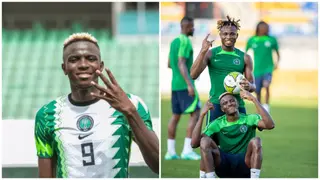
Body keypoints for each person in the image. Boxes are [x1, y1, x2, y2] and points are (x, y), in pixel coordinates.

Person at [34, 32, 159, 178]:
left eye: (91, 59)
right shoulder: (47, 114)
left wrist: (130, 112)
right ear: (64, 68)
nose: (83, 65)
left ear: (100, 65)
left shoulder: (132, 104)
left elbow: (157, 165)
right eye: (74, 59)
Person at [190, 15, 256, 177]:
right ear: (220, 35)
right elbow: (193, 74)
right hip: (216, 106)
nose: (228, 37)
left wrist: (249, 86)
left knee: (243, 145)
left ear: (237, 35)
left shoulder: (244, 57)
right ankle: (203, 176)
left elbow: (253, 86)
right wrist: (203, 50)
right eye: (225, 33)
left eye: (232, 34)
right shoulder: (212, 54)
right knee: (206, 142)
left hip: (238, 106)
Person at [191, 90, 275, 178]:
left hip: (245, 164)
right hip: (224, 165)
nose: (229, 104)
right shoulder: (217, 124)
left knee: (256, 141)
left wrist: (254, 99)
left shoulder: (250, 118)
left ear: (237, 103)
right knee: (204, 141)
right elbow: (194, 144)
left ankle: (254, 177)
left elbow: (270, 125)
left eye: (232, 101)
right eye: (225, 103)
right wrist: (201, 115)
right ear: (222, 109)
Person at [165, 16, 201, 161]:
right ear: (185, 27)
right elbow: (181, 63)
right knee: (196, 113)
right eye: (191, 26)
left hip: (174, 85)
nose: (193, 29)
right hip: (184, 85)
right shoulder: (185, 41)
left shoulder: (174, 41)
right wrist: (189, 84)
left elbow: (169, 63)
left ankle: (170, 152)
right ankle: (187, 150)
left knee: (175, 116)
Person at [246, 21, 280, 112]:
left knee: (267, 85)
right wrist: (246, 66)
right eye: (263, 27)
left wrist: (277, 63)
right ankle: (260, 107)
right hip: (256, 70)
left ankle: (267, 106)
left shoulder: (271, 39)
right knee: (257, 91)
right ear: (258, 28)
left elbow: (277, 53)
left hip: (268, 68)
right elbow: (245, 53)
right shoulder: (252, 40)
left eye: (266, 27)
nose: (265, 29)